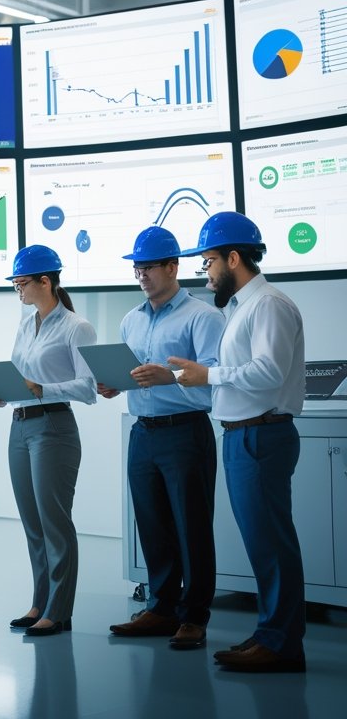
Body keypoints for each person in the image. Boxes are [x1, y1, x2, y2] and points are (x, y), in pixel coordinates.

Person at [169, 212, 307, 673]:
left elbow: (268, 372)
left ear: (233, 257)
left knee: (271, 543)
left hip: (261, 436)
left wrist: (208, 374)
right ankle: (272, 633)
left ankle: (282, 643)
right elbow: (237, 378)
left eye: (208, 262)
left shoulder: (267, 305)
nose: (205, 274)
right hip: (242, 435)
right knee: (261, 543)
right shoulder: (240, 310)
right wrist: (192, 377)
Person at [98, 227, 224, 650]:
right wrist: (116, 384)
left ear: (173, 266)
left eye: (149, 266)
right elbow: (137, 376)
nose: (142, 275)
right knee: (151, 524)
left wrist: (167, 376)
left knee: (192, 527)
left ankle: (194, 617)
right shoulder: (131, 320)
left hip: (185, 431)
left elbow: (213, 383)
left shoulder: (203, 317)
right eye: (137, 268)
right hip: (143, 433)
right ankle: (161, 607)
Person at [0, 244, 95, 637]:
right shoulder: (26, 323)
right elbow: (23, 380)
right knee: (32, 523)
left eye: (22, 283)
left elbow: (88, 387)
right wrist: (2, 392)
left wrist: (39, 388)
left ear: (45, 281)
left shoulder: (76, 327)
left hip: (53, 428)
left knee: (54, 523)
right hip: (21, 425)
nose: (19, 291)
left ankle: (59, 611)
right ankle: (40, 601)